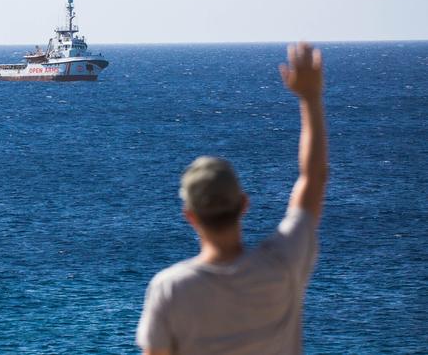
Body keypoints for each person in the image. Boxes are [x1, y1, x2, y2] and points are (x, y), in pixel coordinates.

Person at [136, 42, 328, 354]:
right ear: (244, 204)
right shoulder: (283, 265)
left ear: (191, 216)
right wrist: (310, 98)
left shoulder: (170, 290)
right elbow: (313, 179)